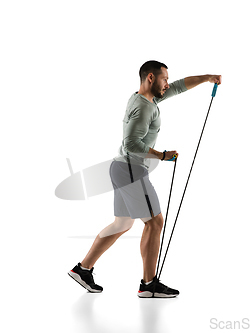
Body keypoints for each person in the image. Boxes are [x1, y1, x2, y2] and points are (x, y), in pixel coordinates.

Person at [68, 60, 221, 298]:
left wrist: (206, 77)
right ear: (151, 78)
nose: (167, 84)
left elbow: (179, 86)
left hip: (120, 168)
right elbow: (131, 144)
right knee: (155, 222)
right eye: (164, 79)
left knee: (122, 224)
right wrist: (162, 155)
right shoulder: (145, 107)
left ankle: (82, 269)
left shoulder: (145, 98)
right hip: (131, 169)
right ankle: (148, 284)